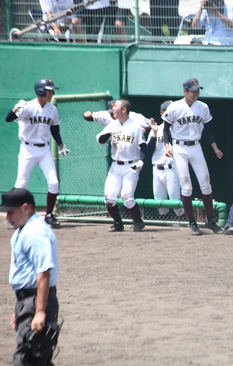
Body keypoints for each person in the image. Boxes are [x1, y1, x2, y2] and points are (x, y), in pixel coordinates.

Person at [1, 188, 61, 366]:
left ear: (26, 208)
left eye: (11, 212)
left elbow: (43, 273)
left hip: (37, 299)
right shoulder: (22, 231)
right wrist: (18, 309)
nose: (7, 218)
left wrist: (40, 311)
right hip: (26, 301)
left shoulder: (35, 233)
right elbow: (22, 273)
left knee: (28, 357)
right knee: (35, 357)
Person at [5, 79, 70, 228]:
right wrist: (16, 109)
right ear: (40, 91)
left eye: (52, 91)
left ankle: (49, 215)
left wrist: (61, 145)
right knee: (21, 184)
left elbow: (54, 129)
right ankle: (13, 217)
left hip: (44, 149)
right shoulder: (28, 107)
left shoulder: (52, 109)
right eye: (49, 91)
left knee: (53, 182)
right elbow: (8, 119)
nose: (51, 93)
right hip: (28, 148)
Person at [162, 78, 225, 236]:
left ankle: (210, 220)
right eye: (193, 90)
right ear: (185, 91)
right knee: (186, 185)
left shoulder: (203, 107)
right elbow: (165, 129)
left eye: (198, 90)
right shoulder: (174, 107)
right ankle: (192, 222)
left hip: (196, 146)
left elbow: (207, 130)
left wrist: (215, 148)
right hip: (179, 147)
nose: (196, 93)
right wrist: (167, 146)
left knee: (205, 183)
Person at [96, 99, 147, 232]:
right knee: (109, 197)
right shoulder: (113, 125)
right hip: (115, 166)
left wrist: (141, 161)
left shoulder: (135, 127)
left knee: (126, 197)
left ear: (124, 110)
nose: (113, 109)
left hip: (131, 165)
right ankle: (118, 223)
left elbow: (143, 146)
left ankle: (138, 222)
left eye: (116, 106)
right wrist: (109, 133)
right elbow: (100, 140)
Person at [147, 100, 185, 220]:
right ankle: (166, 227)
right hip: (157, 169)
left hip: (172, 168)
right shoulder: (157, 129)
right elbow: (148, 150)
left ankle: (185, 225)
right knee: (159, 203)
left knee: (176, 203)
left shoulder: (179, 128)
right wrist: (153, 131)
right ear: (162, 112)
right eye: (168, 110)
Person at [83, 100, 151, 130]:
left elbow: (150, 124)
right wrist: (86, 115)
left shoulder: (134, 116)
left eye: (116, 110)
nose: (114, 113)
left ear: (123, 110)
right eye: (112, 112)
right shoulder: (105, 115)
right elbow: (90, 117)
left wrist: (143, 129)